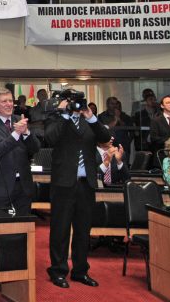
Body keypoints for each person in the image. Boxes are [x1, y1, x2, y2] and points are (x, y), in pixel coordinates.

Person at [44, 98, 109, 289]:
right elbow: (50, 138)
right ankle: (58, 271)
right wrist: (64, 114)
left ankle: (80, 271)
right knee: (60, 229)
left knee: (83, 230)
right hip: (63, 184)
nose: (76, 107)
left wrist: (91, 118)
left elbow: (105, 137)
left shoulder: (88, 121)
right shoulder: (56, 119)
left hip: (86, 184)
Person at [0, 88, 39, 216]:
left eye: (11, 100)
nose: (9, 104)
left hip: (23, 186)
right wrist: (17, 133)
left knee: (23, 229)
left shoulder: (20, 120)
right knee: (1, 231)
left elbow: (35, 148)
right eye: (4, 101)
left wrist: (26, 133)